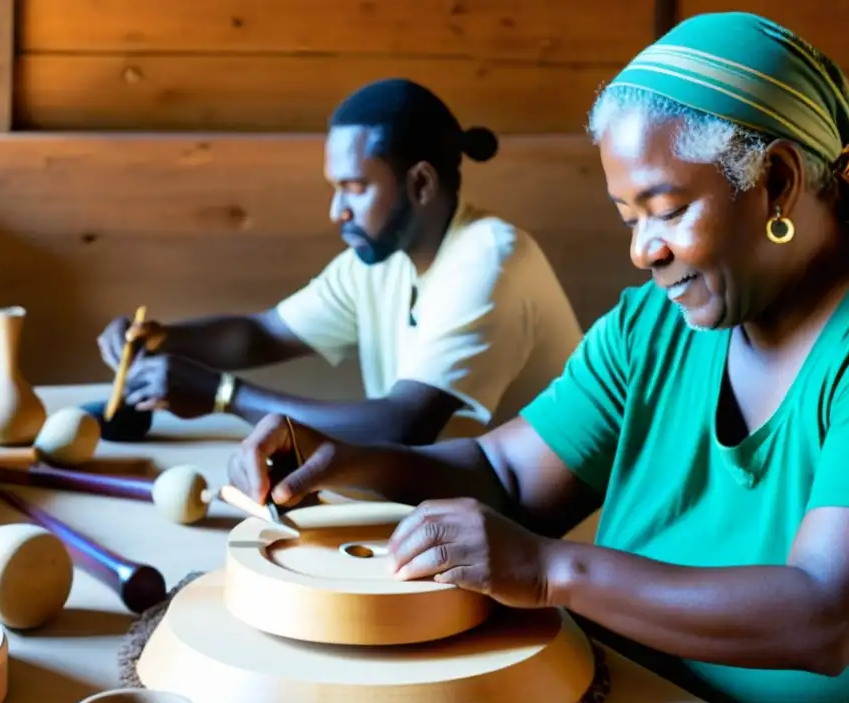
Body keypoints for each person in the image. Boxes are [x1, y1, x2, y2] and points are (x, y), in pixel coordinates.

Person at [225, 12, 849, 703]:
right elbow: (508, 477)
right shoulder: (649, 329)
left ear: (779, 182)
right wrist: (341, 460)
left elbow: (830, 614)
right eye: (627, 217)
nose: (642, 252)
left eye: (666, 210)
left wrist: (551, 570)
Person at [96, 78, 582, 446]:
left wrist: (225, 396)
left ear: (421, 184)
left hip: (548, 543)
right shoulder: (380, 259)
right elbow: (263, 333)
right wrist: (161, 339)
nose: (337, 211)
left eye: (354, 188)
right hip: (462, 519)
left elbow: (403, 425)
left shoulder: (488, 262)